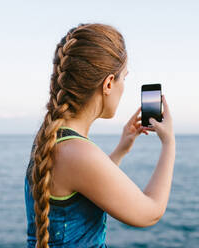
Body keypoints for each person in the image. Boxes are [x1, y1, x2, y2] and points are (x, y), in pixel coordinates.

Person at [24, 23, 175, 248]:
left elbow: (85, 184)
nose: (123, 86)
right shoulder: (76, 153)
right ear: (108, 84)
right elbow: (150, 213)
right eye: (123, 77)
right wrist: (169, 143)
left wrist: (122, 148)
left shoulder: (52, 138)